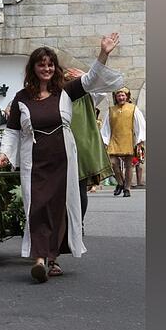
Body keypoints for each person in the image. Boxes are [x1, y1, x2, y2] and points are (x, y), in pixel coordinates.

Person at [0, 34, 124, 283]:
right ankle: (39, 259)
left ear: (55, 68)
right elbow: (12, 131)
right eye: (41, 64)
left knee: (59, 208)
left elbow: (91, 79)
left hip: (62, 159)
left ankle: (51, 258)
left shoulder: (65, 91)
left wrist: (103, 53)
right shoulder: (22, 97)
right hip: (34, 161)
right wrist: (4, 153)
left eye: (50, 64)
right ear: (33, 68)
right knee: (36, 206)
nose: (46, 69)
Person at [63, 68, 115, 221]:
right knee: (64, 190)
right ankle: (68, 224)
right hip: (63, 146)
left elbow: (103, 89)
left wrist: (85, 76)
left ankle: (78, 223)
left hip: (82, 149)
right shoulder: (59, 97)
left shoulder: (88, 95)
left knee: (79, 189)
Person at [101, 86, 146, 197]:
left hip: (128, 139)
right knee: (113, 162)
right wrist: (105, 141)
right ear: (115, 97)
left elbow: (140, 125)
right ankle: (121, 183)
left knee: (129, 165)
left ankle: (127, 188)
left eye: (123, 95)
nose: (121, 97)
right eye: (119, 95)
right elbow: (106, 127)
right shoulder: (111, 110)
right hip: (114, 140)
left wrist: (140, 140)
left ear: (127, 96)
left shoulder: (133, 109)